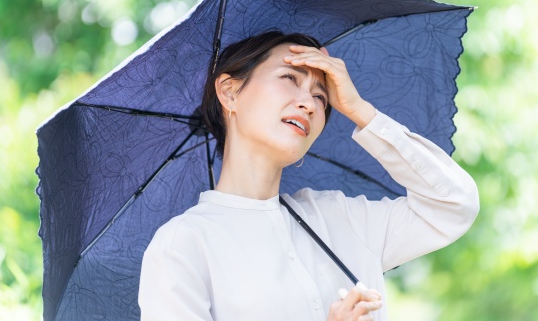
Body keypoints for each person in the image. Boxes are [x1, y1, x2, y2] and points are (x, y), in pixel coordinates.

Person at [138, 31, 479, 321]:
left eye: (321, 96)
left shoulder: (341, 219)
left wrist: (359, 110)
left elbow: (453, 205)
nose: (311, 104)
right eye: (290, 79)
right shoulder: (184, 245)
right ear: (229, 92)